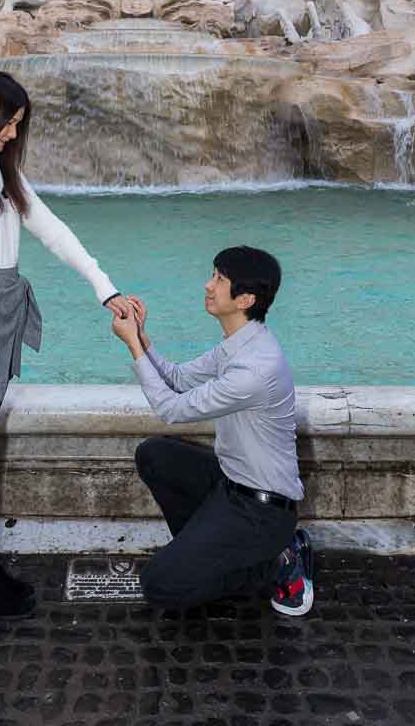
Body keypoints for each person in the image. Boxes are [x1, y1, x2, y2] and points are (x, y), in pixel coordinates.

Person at [0, 72, 133, 619]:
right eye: (8, 123)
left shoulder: (6, 169)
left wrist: (104, 287)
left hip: (3, 309)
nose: (13, 134)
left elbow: (53, 230)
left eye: (20, 125)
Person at [111, 246, 313, 615]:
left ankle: (277, 564)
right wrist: (141, 337)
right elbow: (176, 379)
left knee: (160, 587)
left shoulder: (255, 370)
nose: (208, 285)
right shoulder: (240, 343)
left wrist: (131, 347)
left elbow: (170, 409)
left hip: (261, 512)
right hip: (230, 485)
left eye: (220, 279)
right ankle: (206, 552)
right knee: (154, 455)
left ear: (246, 299)